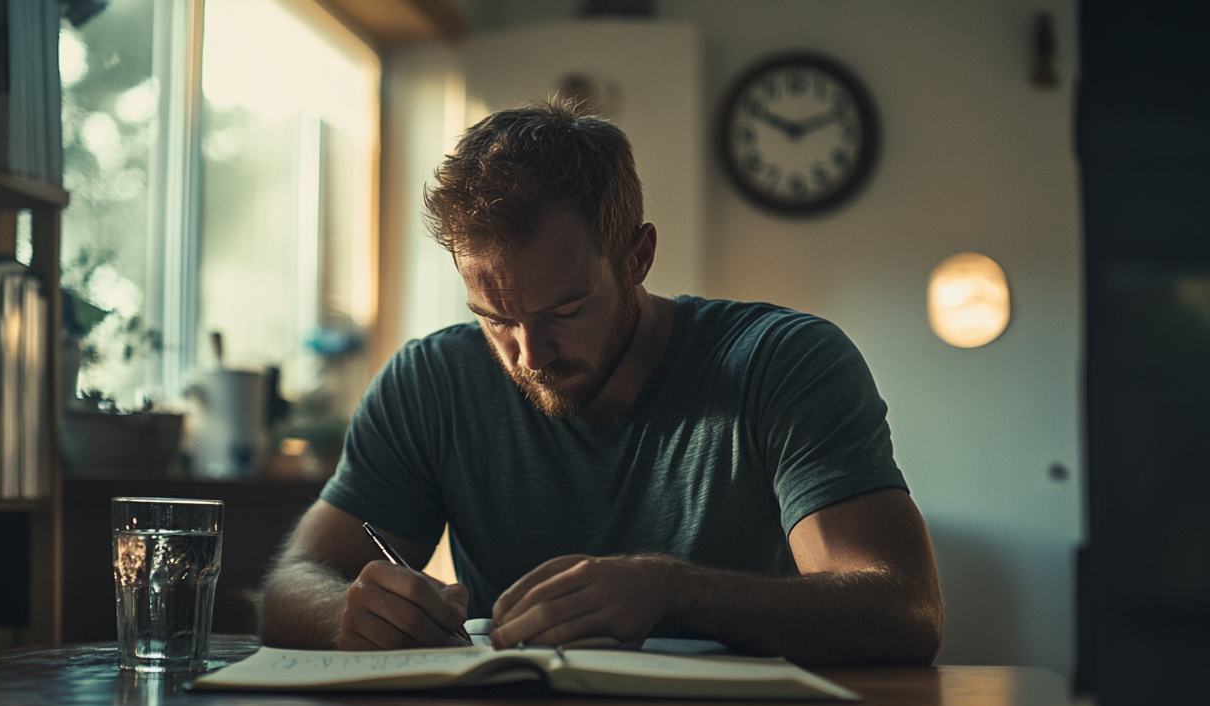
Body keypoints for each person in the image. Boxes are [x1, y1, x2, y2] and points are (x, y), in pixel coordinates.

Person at [258, 99, 942, 665]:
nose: (530, 355)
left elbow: (903, 610)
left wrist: (673, 590)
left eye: (564, 311)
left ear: (638, 256)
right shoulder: (432, 381)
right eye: (495, 319)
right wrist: (350, 615)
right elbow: (292, 582)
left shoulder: (782, 364)